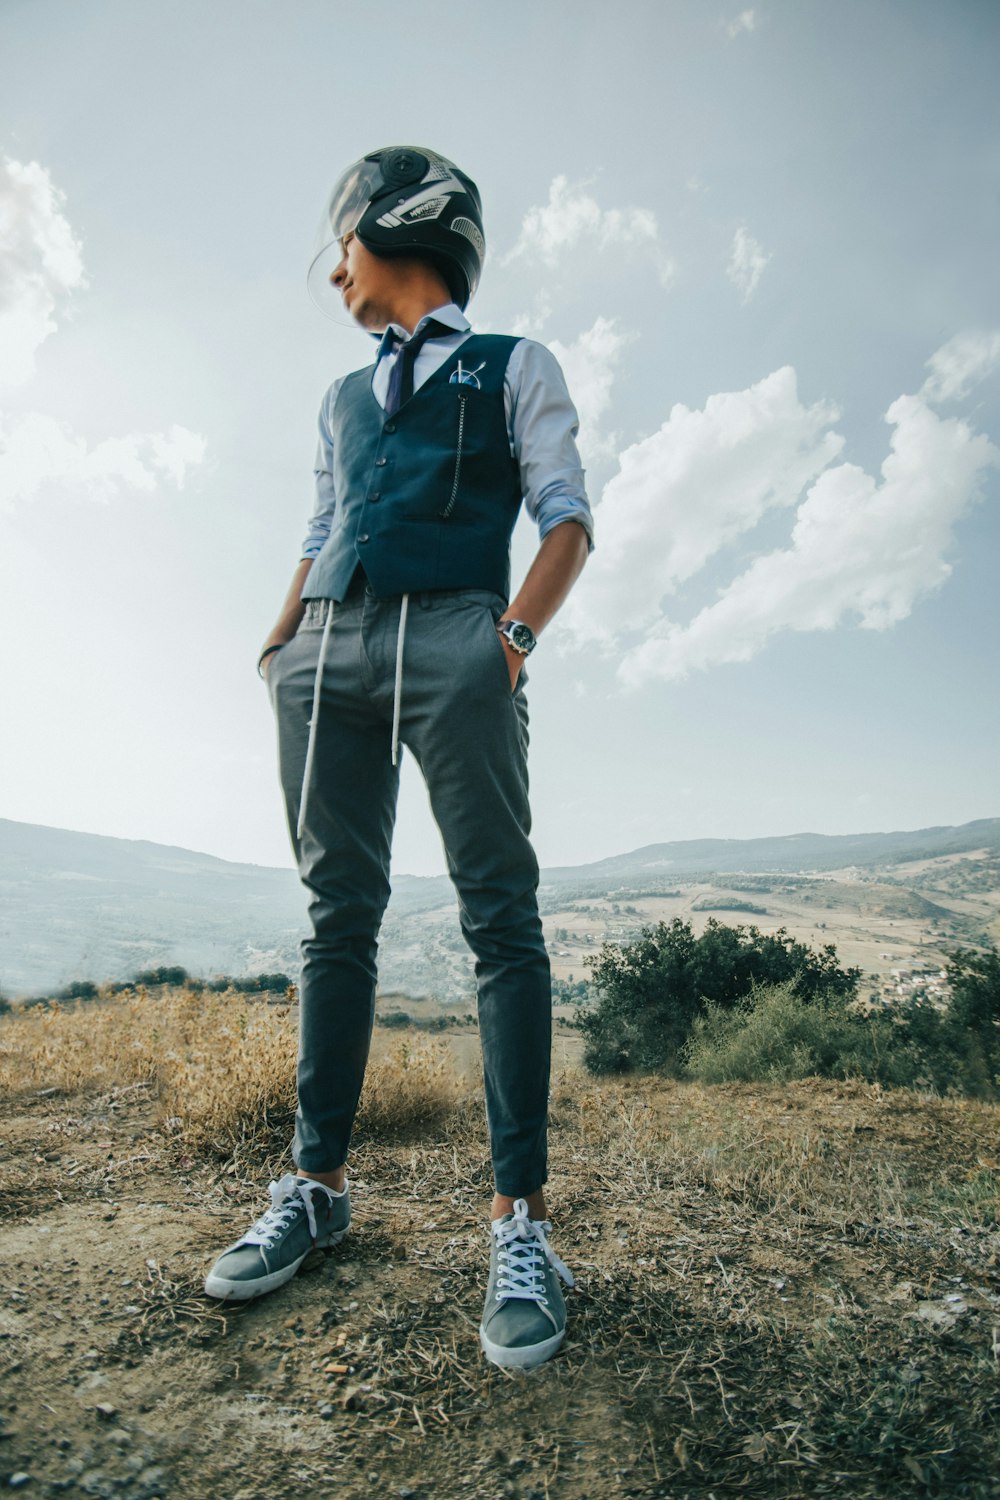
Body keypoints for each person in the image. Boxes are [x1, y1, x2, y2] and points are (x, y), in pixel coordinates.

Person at [204, 146, 592, 1370]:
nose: (334, 275)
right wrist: (278, 645)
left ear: (395, 231)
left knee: (500, 918)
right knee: (337, 916)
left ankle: (519, 1223)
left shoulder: (514, 365)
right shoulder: (337, 399)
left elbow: (567, 516)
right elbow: (320, 527)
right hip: (330, 653)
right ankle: (315, 1189)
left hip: (459, 645)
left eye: (342, 247)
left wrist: (510, 642)